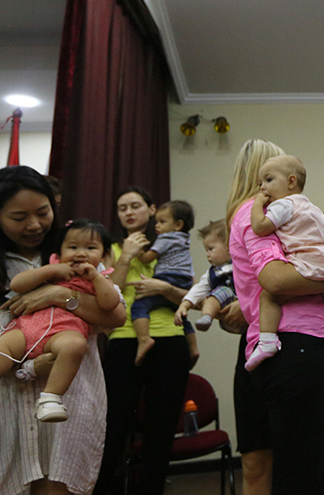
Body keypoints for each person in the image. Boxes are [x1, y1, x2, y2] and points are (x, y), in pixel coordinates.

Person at [0, 166, 124, 495]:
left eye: (43, 212)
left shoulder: (73, 254)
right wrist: (25, 367)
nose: (35, 224)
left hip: (67, 405)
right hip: (0, 410)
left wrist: (60, 295)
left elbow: (114, 317)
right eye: (19, 217)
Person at [226, 139, 324, 495]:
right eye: (268, 175)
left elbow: (296, 266)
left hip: (292, 343)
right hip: (292, 343)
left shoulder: (283, 216)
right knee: (302, 473)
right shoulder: (259, 214)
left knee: (300, 467)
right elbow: (274, 279)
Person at [94, 187, 192, 495]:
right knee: (114, 424)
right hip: (124, 341)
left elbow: (192, 298)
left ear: (151, 210)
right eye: (122, 208)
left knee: (161, 428)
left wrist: (162, 287)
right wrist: (127, 256)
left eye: (135, 206)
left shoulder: (172, 243)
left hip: (171, 341)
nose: (128, 212)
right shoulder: (109, 248)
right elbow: (105, 298)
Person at [246, 155, 324, 369]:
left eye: (268, 180)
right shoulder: (310, 205)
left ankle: (267, 341)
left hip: (305, 262)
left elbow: (260, 227)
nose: (262, 188)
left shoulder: (283, 205)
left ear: (291, 182)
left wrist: (257, 204)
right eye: (260, 183)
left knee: (269, 296)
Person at [130, 200, 196, 364]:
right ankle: (193, 347)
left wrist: (135, 249)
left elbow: (146, 259)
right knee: (181, 316)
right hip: (185, 280)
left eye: (162, 222)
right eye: (157, 221)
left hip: (168, 277)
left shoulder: (166, 238)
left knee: (139, 305)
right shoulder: (184, 238)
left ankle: (144, 339)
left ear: (178, 224)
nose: (157, 226)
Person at [174, 220, 235, 331]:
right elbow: (199, 288)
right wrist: (185, 305)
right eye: (206, 250)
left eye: (211, 249)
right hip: (227, 312)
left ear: (228, 245)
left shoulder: (244, 264)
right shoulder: (212, 273)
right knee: (215, 295)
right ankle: (206, 317)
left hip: (248, 308)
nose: (208, 254)